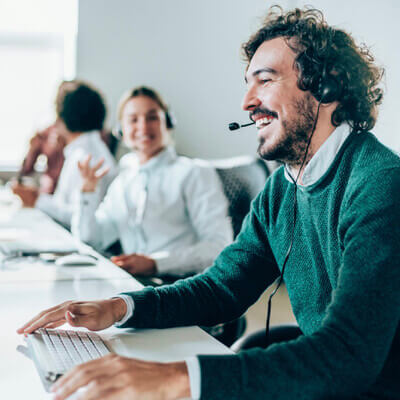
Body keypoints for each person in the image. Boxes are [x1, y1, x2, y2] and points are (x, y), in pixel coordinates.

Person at [17, 6, 400, 400]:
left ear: (327, 86)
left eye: (264, 80)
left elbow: (348, 355)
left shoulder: (380, 183)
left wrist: (178, 378)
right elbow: (222, 288)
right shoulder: (282, 188)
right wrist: (121, 308)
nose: (246, 102)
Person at [71, 86, 233, 276]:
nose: (143, 127)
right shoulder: (124, 180)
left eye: (152, 117)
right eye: (133, 120)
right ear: (121, 130)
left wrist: (156, 264)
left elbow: (218, 248)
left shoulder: (193, 173)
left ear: (168, 123)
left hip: (183, 287)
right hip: (136, 287)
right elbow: (92, 241)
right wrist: (87, 194)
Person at [12, 81, 117, 229]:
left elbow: (78, 217)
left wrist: (36, 200)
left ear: (61, 119)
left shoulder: (85, 157)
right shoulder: (88, 149)